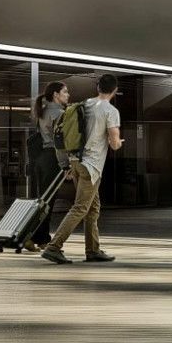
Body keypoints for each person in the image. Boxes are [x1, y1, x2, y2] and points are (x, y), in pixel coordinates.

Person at [40, 74, 122, 265]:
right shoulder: (111, 110)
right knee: (80, 208)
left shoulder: (85, 104)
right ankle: (54, 247)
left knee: (93, 208)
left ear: (98, 87)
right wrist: (118, 142)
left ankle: (92, 250)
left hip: (76, 161)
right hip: (91, 166)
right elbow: (115, 143)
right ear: (115, 90)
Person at [28, 80, 69, 201]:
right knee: (48, 200)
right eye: (65, 92)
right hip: (53, 158)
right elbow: (59, 141)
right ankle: (41, 221)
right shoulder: (60, 113)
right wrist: (65, 165)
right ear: (56, 94)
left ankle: (38, 220)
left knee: (43, 199)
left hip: (41, 158)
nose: (68, 95)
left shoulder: (43, 111)